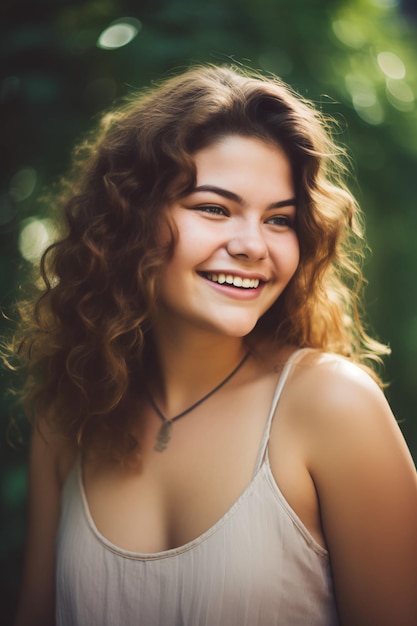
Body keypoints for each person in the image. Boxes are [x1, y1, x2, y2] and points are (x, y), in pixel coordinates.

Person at [10, 64, 417, 626]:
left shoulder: (332, 405)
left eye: (280, 220)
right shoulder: (68, 415)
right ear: (130, 220)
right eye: (214, 209)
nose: (253, 245)